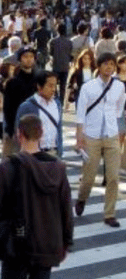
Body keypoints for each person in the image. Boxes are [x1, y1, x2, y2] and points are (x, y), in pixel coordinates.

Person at [0, 114, 73, 279]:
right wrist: (66, 242)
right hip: (46, 245)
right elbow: (66, 209)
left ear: (20, 134)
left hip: (16, 245)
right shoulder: (57, 168)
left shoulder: (8, 167)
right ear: (41, 134)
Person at [74, 52, 126, 227]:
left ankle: (109, 214)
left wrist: (119, 132)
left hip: (111, 135)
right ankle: (82, 198)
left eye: (112, 64)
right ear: (99, 66)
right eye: (106, 64)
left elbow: (119, 110)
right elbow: (80, 114)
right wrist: (79, 137)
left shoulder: (119, 86)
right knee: (89, 177)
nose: (109, 67)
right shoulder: (88, 87)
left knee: (113, 177)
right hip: (91, 136)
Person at [14, 71, 63, 157]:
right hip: (34, 155)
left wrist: (60, 150)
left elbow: (59, 129)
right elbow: (19, 132)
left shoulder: (57, 104)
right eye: (50, 85)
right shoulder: (27, 106)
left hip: (54, 153)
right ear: (39, 86)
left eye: (55, 85)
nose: (53, 89)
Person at [3, 47, 38, 157]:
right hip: (17, 128)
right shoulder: (12, 82)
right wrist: (10, 130)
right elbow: (7, 108)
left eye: (31, 57)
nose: (29, 59)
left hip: (36, 127)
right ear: (20, 59)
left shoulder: (39, 81)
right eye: (25, 57)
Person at [48, 23, 73, 104]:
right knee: (63, 85)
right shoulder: (69, 42)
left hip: (56, 65)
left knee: (54, 84)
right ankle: (61, 101)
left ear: (57, 30)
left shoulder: (53, 41)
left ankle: (55, 99)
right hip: (65, 65)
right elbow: (70, 54)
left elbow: (50, 53)